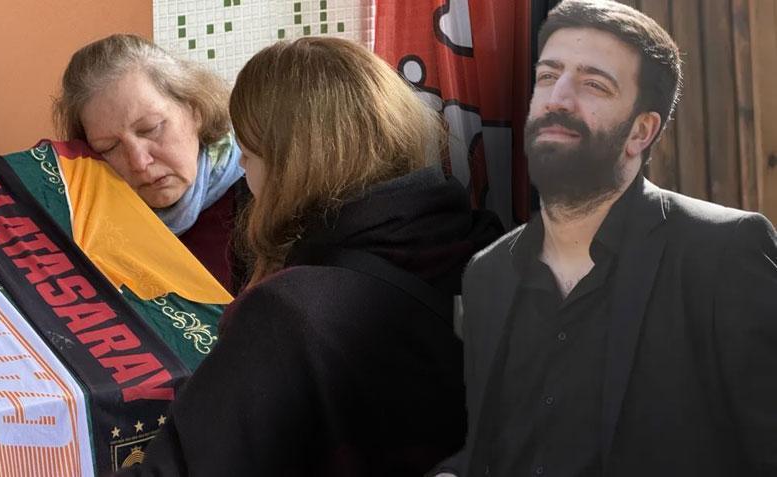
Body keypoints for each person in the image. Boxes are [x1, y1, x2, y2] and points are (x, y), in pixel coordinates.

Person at [116, 37, 504, 476]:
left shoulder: (292, 312)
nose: (242, 169)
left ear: (291, 167)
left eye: (248, 154)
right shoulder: (493, 250)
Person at [434, 1, 777, 476]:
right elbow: (492, 449)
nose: (558, 99)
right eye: (548, 76)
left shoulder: (723, 253)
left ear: (641, 130)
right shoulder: (487, 273)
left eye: (594, 84)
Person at [53, 34, 245, 293]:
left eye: (150, 128)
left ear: (195, 110)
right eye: (109, 148)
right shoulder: (92, 228)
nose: (140, 162)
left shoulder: (263, 197)